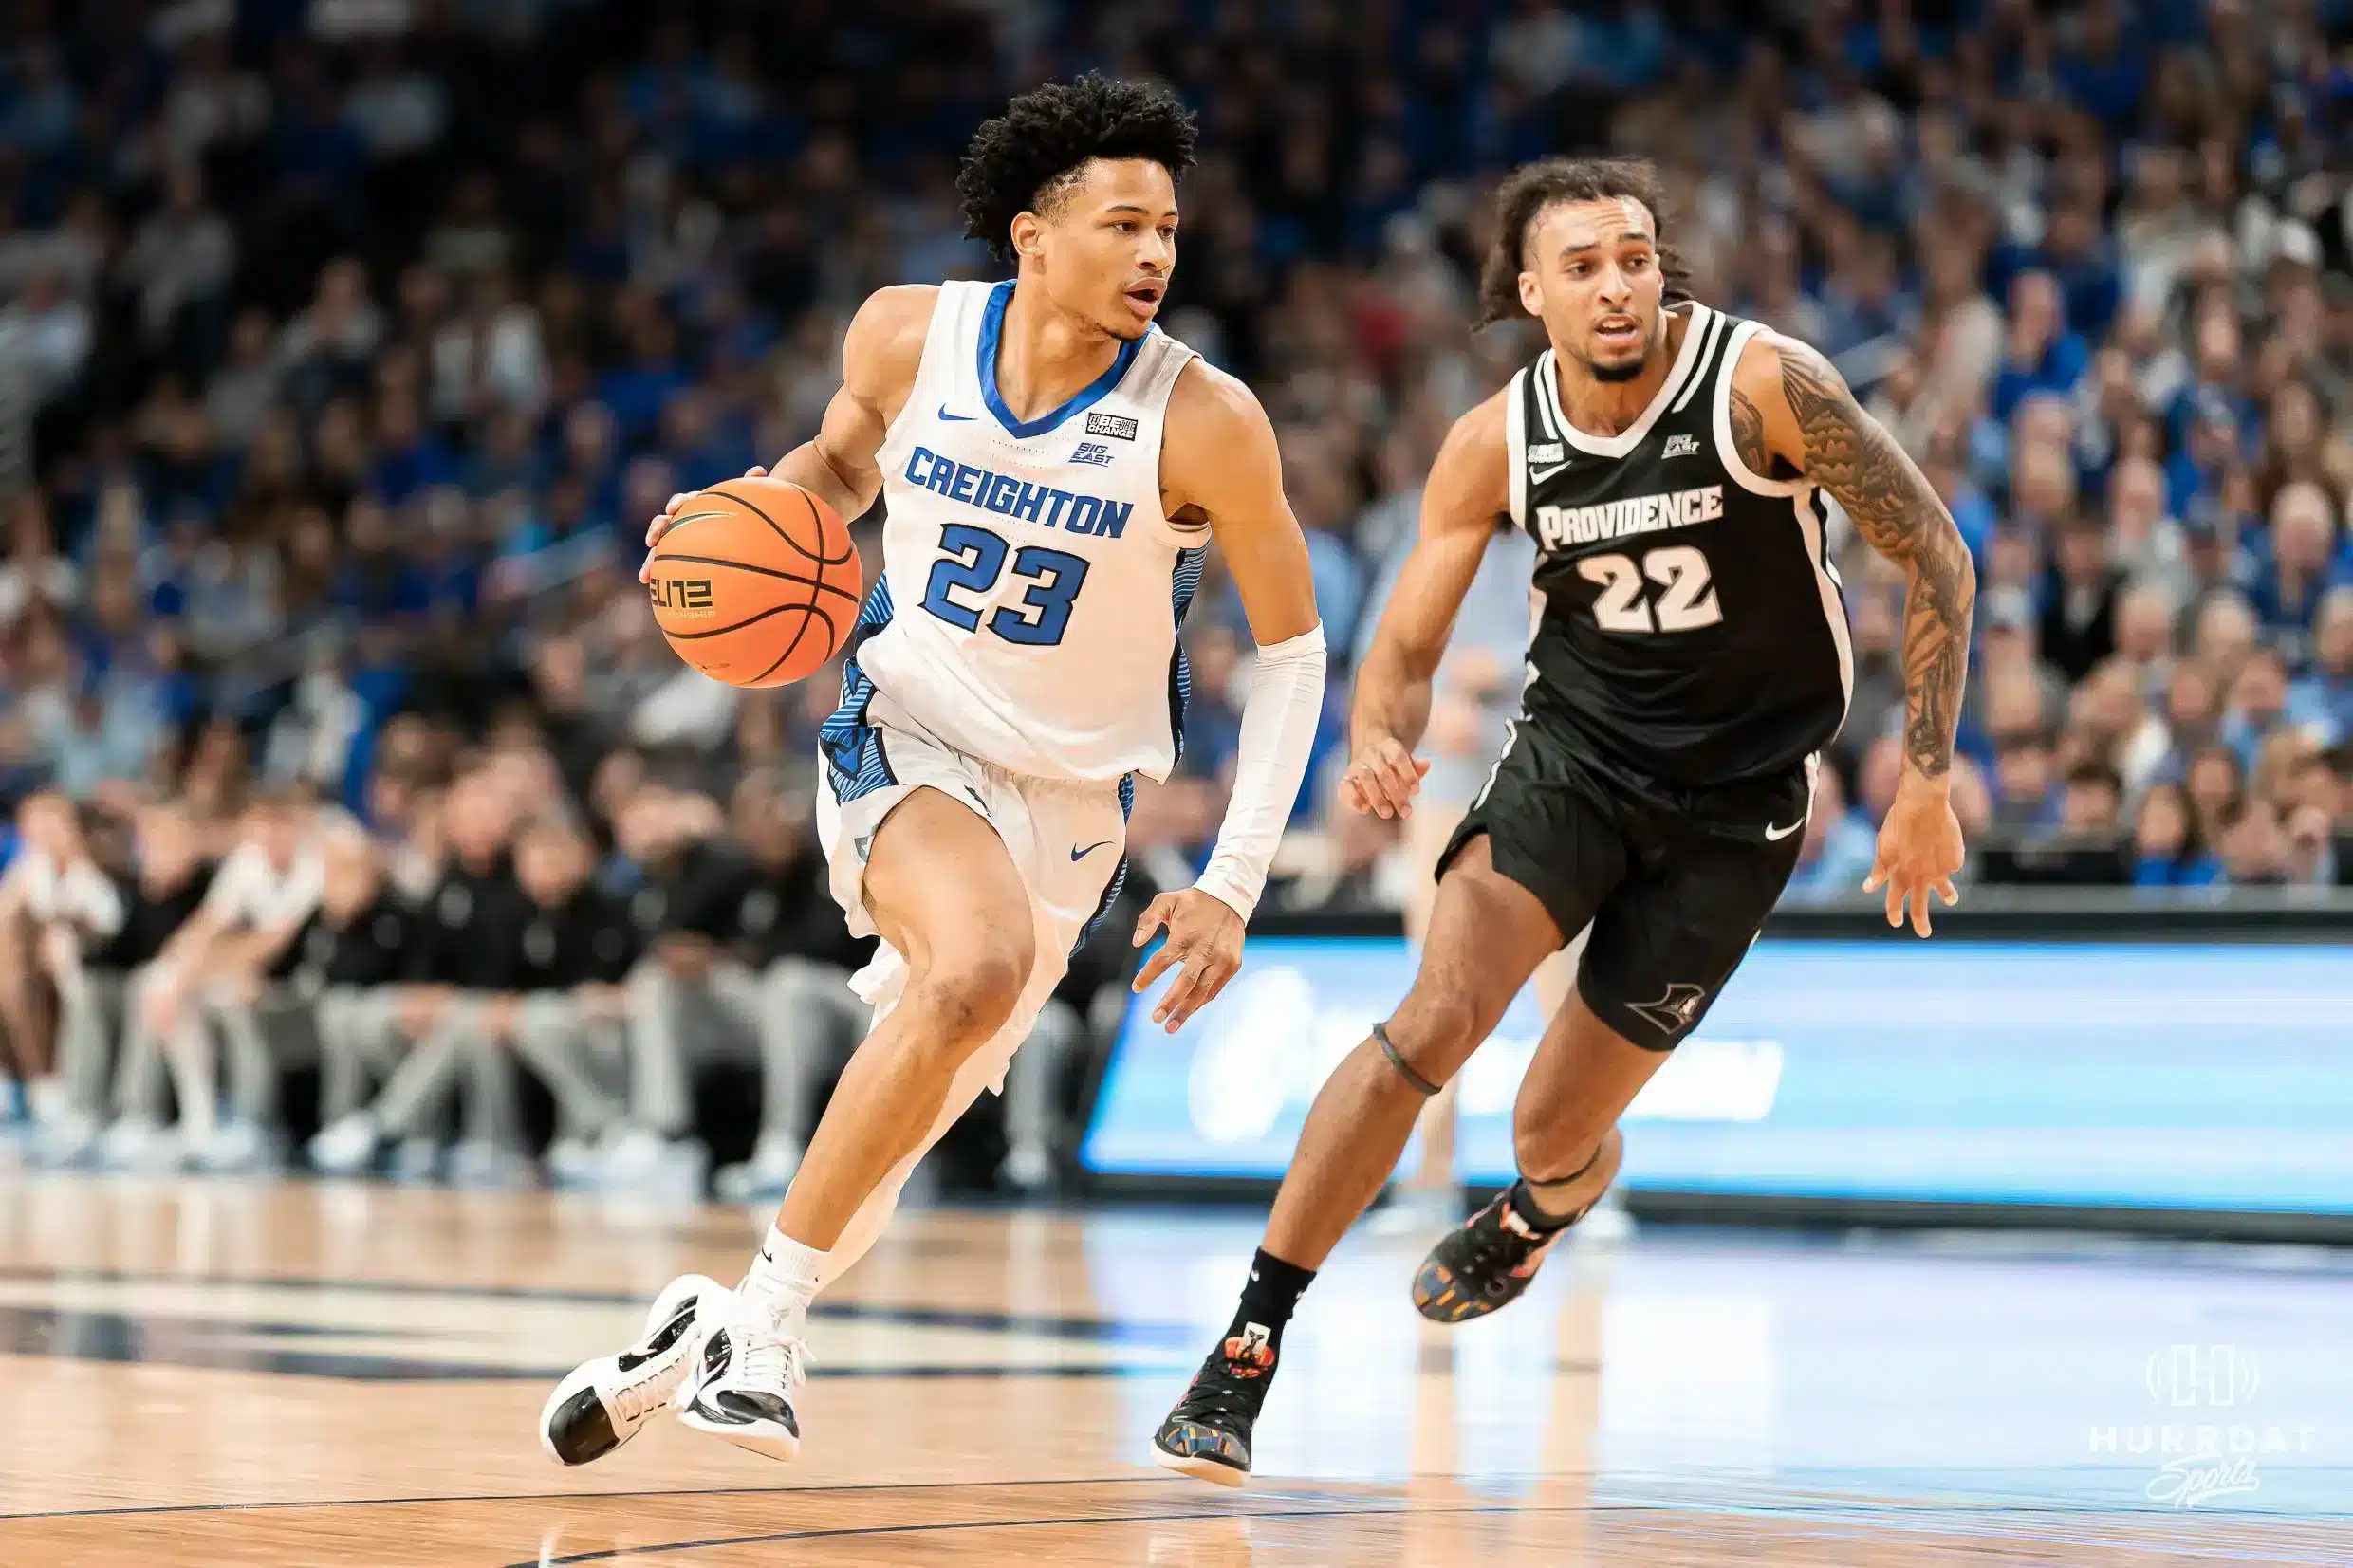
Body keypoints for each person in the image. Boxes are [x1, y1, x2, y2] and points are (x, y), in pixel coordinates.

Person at [1152, 156, 1974, 1486]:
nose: (1616, 284)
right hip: (1577, 762)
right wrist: (1381, 736)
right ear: (1532, 290)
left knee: (1550, 1125)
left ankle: (1540, 1208)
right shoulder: (1497, 439)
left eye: (1636, 256)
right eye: (1583, 265)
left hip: (1737, 807)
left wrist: (1926, 782)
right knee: (1431, 1021)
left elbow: (1934, 550)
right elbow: (1406, 641)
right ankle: (1248, 1344)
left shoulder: (1764, 385)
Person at [541, 75, 1325, 1467]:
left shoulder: (1206, 420)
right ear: (1033, 233)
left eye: (1171, 234)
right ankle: (768, 1340)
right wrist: (753, 517)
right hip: (905, 731)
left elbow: (1296, 653)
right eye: (1125, 224)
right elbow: (835, 474)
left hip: (1076, 810)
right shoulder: (908, 336)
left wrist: (1235, 883)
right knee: (963, 973)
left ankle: (704, 1330)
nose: (1156, 256)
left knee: (904, 1124)